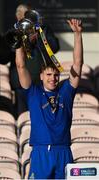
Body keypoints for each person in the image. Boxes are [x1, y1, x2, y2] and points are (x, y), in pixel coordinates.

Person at [15, 18, 83, 179]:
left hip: (63, 151)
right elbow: (20, 65)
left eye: (56, 75)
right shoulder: (33, 93)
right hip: (41, 152)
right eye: (49, 75)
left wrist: (78, 35)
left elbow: (78, 64)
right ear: (40, 76)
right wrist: (19, 39)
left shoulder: (66, 92)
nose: (53, 78)